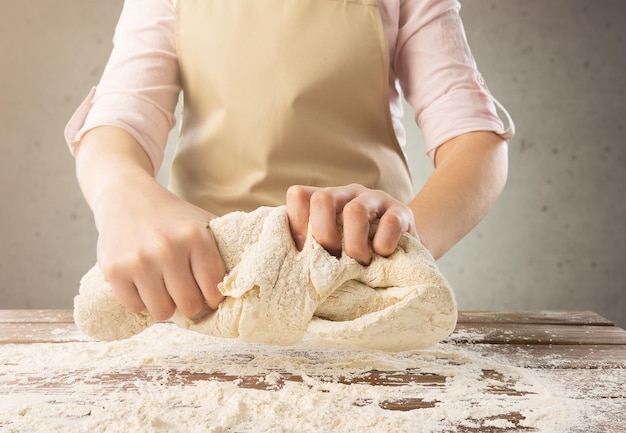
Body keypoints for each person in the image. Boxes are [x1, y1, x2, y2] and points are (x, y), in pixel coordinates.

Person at [65, 0, 514, 323]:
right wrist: (122, 193)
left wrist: (407, 235)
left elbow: (474, 139)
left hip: (363, 284)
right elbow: (118, 122)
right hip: (204, 289)